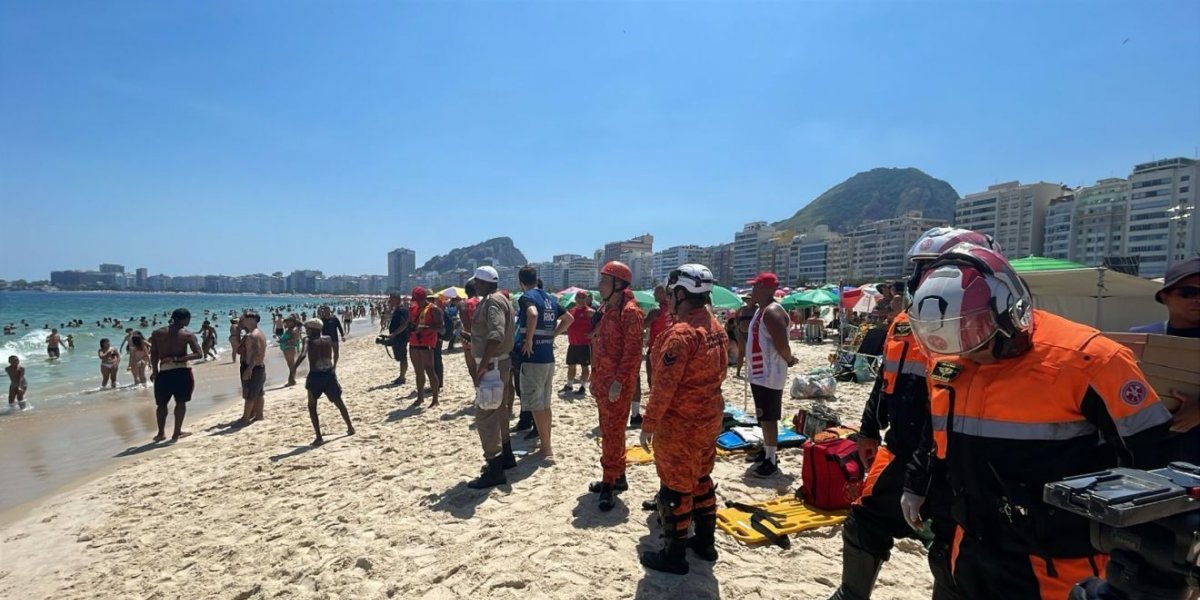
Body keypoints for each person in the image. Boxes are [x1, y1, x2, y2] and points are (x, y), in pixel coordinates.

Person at [903, 242, 1172, 599]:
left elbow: (1154, 458)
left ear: (1010, 311)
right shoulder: (952, 358)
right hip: (972, 543)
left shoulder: (1090, 360)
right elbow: (936, 429)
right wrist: (915, 483)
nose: (971, 357)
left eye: (978, 344)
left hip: (1058, 561)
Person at [827, 227, 997, 600]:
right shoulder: (904, 323)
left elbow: (950, 407)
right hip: (902, 449)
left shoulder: (982, 330)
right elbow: (885, 380)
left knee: (954, 552)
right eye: (918, 270)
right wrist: (869, 429)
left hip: (956, 464)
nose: (917, 280)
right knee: (864, 518)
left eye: (927, 269)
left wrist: (922, 476)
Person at [638, 264, 728, 574]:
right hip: (709, 418)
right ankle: (705, 542)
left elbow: (663, 388)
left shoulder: (681, 334)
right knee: (702, 479)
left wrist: (648, 425)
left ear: (679, 294)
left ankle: (674, 555)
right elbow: (723, 372)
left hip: (680, 424)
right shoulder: (716, 327)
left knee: (675, 488)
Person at [1128, 256, 1200, 464]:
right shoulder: (1143, 338)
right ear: (1164, 296)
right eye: (1188, 293)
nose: (1197, 299)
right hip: (1153, 448)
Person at [588, 261, 643, 510]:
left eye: (604, 280)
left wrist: (618, 383)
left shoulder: (630, 312)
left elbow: (632, 353)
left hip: (616, 387)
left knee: (611, 433)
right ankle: (618, 477)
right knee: (611, 432)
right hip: (603, 382)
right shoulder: (608, 308)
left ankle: (609, 483)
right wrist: (594, 377)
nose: (599, 284)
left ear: (618, 284)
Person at [464, 266, 519, 488]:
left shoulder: (492, 302)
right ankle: (506, 456)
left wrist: (483, 364)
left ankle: (495, 467)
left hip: (493, 364)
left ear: (484, 283)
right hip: (500, 362)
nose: (474, 285)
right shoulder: (502, 299)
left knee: (485, 416)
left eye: (477, 281)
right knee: (499, 409)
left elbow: (495, 335)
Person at [745, 272, 798, 478]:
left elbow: (781, 345)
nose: (752, 291)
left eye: (756, 287)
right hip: (761, 373)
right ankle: (767, 451)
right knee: (763, 415)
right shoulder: (762, 310)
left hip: (770, 373)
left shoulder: (772, 312)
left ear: (766, 289)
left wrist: (790, 360)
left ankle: (771, 459)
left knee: (769, 418)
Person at [515, 267, 572, 459]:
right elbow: (568, 318)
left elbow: (532, 314)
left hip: (534, 358)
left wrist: (529, 339)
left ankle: (546, 448)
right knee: (545, 404)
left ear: (520, 282)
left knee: (537, 405)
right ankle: (546, 444)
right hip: (548, 357)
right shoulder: (549, 298)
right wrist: (553, 335)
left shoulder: (526, 297)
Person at [297, 318, 354, 446]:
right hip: (329, 374)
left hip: (315, 376)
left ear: (311, 330)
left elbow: (303, 354)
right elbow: (335, 352)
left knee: (312, 407)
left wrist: (293, 370)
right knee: (339, 402)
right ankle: (350, 427)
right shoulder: (328, 338)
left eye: (307, 329)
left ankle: (319, 437)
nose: (306, 331)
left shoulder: (307, 340)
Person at [149, 308, 202, 442]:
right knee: (180, 402)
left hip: (164, 372)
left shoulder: (157, 333)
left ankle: (161, 433)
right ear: (184, 319)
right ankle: (176, 432)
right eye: (189, 319)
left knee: (161, 405)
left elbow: (154, 354)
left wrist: (154, 371)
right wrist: (177, 359)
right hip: (181, 371)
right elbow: (198, 354)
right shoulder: (187, 334)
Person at [641, 284, 675, 426]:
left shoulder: (656, 311)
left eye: (656, 292)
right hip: (670, 348)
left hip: (656, 348)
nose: (654, 294)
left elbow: (643, 326)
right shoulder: (674, 310)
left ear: (663, 294)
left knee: (652, 379)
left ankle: (655, 407)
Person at [408, 287, 442, 407]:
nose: (417, 301)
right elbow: (408, 323)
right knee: (418, 372)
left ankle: (435, 399)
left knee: (430, 370)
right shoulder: (413, 308)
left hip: (427, 342)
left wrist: (425, 328)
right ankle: (420, 397)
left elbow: (440, 328)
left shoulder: (434, 309)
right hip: (414, 342)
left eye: (418, 299)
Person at [235, 310, 267, 427]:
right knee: (258, 393)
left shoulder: (254, 335)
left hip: (254, 367)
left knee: (250, 394)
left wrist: (249, 369)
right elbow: (241, 350)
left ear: (252, 319)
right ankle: (259, 415)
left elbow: (255, 353)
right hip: (259, 367)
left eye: (245, 317)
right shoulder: (256, 333)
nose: (242, 319)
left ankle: (245, 418)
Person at [562, 290, 595, 397]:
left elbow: (602, 322)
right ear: (575, 299)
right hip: (573, 344)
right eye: (578, 297)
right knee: (571, 366)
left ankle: (582, 387)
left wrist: (593, 333)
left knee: (584, 366)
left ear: (586, 299)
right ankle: (569, 385)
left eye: (582, 298)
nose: (580, 300)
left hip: (584, 345)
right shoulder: (571, 311)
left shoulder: (590, 312)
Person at [459, 281, 481, 385]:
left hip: (468, 337)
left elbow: (465, 324)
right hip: (483, 336)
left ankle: (478, 389)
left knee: (472, 366)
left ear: (466, 291)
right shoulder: (483, 301)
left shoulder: (464, 304)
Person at [386, 293, 410, 385]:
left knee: (403, 357)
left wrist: (394, 333)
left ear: (396, 299)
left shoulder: (402, 310)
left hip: (401, 337)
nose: (389, 301)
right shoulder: (397, 309)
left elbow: (404, 324)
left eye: (391, 299)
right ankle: (401, 376)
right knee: (400, 357)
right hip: (398, 337)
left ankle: (402, 377)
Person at [279, 314, 304, 387]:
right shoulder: (290, 329)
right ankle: (292, 380)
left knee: (291, 365)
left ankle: (292, 380)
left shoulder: (294, 329)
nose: (288, 323)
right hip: (287, 348)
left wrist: (283, 342)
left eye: (290, 322)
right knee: (290, 365)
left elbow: (295, 339)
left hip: (289, 348)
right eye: (287, 322)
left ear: (293, 322)